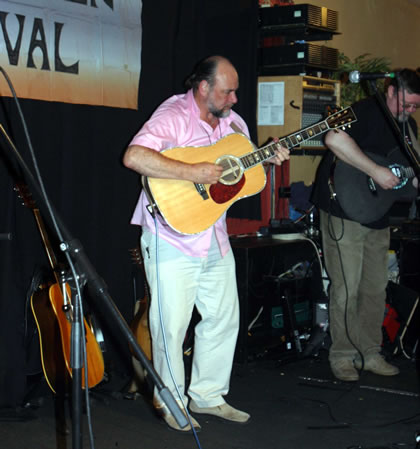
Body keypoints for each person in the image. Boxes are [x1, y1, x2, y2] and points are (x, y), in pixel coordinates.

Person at [123, 55, 290, 431]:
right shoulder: (174, 115)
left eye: (234, 92)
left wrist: (268, 161)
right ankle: (171, 403)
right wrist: (191, 171)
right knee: (171, 327)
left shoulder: (234, 125)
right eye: (227, 91)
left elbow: (240, 178)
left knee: (223, 317)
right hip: (171, 237)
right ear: (203, 87)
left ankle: (208, 395)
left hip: (213, 234)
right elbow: (134, 156)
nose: (233, 99)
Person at [311, 68, 420, 382]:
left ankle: (370, 352)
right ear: (389, 91)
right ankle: (342, 355)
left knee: (375, 287)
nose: (409, 111)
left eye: (415, 107)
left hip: (378, 213)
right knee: (346, 288)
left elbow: (406, 170)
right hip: (343, 208)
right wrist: (374, 170)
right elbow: (333, 138)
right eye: (405, 104)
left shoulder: (407, 126)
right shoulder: (364, 111)